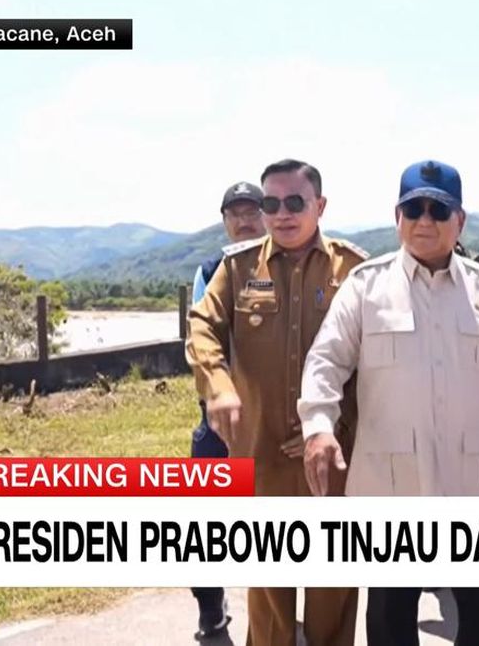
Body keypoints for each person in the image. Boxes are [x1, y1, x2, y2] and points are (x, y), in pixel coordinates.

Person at [295, 159, 479, 646]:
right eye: (414, 208)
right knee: (390, 617)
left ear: (460, 221)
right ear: (397, 216)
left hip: (474, 484)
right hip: (392, 488)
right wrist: (318, 426)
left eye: (438, 209)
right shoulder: (367, 287)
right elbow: (326, 361)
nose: (425, 219)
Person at [187, 159, 365, 646]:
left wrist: (335, 423)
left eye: (294, 202)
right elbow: (202, 326)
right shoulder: (237, 268)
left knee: (333, 594)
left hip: (333, 458)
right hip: (260, 458)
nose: (281, 214)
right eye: (271, 203)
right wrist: (218, 384)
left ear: (319, 205)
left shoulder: (353, 270)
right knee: (268, 601)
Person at [188, 180, 266, 639]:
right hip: (221, 420)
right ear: (224, 221)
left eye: (251, 211)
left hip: (275, 417)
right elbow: (202, 343)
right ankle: (210, 607)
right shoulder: (211, 269)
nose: (243, 220)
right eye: (234, 213)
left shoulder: (286, 263)